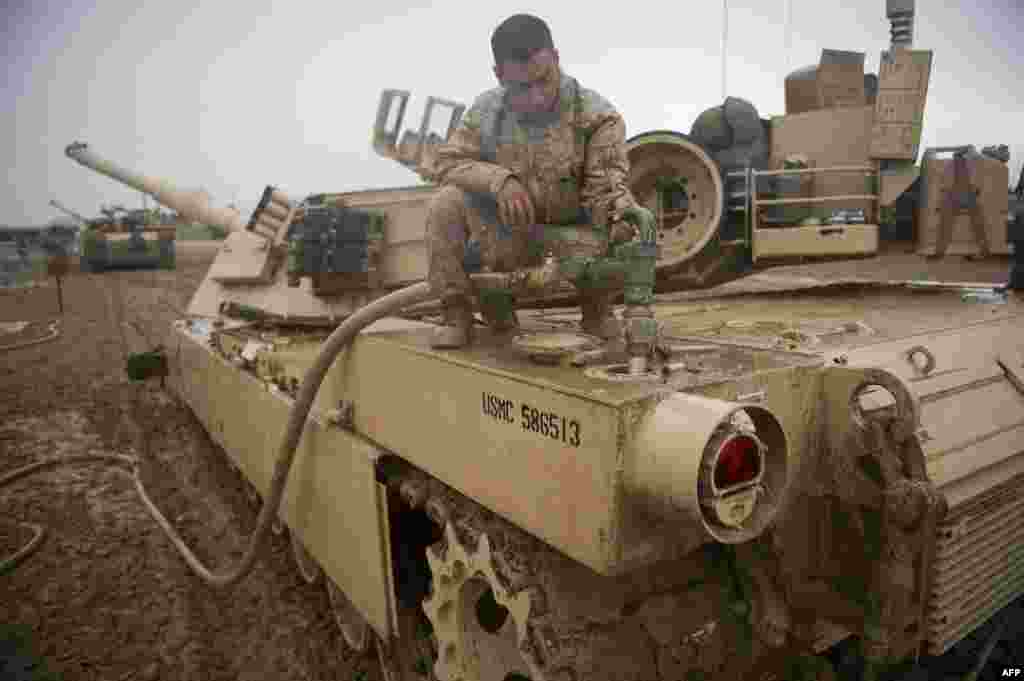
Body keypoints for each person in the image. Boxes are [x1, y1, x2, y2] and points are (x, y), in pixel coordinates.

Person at [422, 14, 650, 348]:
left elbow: (605, 191)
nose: (538, 97)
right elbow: (445, 163)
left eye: (545, 79)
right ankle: (458, 313)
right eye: (522, 88)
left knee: (626, 220)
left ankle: (597, 310)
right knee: (445, 203)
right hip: (505, 236)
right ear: (499, 75)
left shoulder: (598, 117)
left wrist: (618, 214)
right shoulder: (485, 112)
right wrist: (500, 181)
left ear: (556, 58)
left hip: (574, 240)